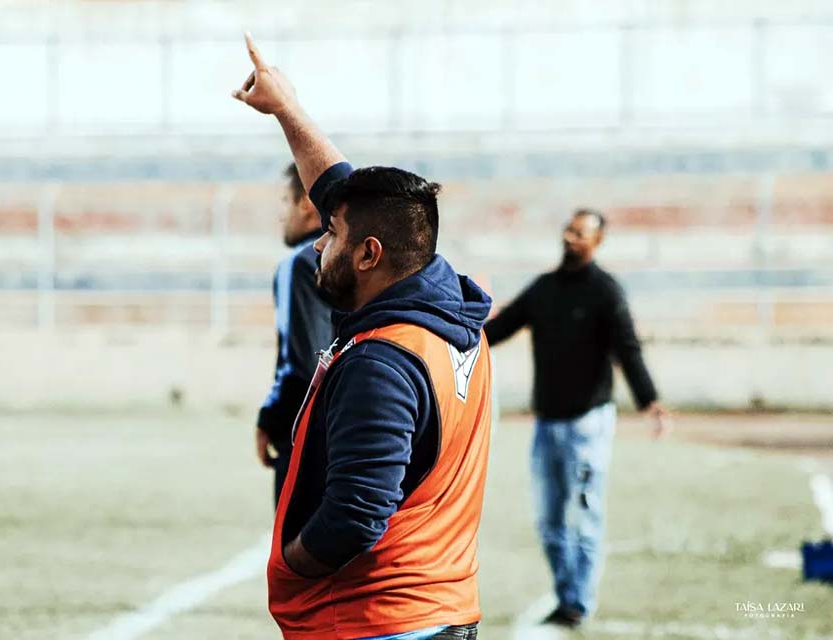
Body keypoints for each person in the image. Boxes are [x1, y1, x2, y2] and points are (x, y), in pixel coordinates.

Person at [233, 33, 492, 640]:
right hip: (441, 604)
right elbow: (347, 193)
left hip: (377, 620)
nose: (317, 245)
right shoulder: (447, 303)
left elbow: (354, 514)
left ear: (370, 255)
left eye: (332, 236)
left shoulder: (383, 361)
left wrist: (291, 563)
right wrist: (287, 109)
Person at [484, 208, 671, 629]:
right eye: (568, 229)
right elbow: (500, 328)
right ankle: (567, 595)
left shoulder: (607, 292)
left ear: (597, 242)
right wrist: (458, 335)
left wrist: (650, 401)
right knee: (549, 521)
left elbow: (628, 348)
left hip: (588, 424)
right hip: (546, 423)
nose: (570, 238)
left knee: (585, 517)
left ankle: (578, 603)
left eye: (581, 233)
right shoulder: (544, 288)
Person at [256, 163, 335, 506]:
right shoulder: (364, 260)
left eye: (285, 200)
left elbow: (302, 362)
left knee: (295, 555)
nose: (280, 214)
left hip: (306, 436)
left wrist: (270, 418)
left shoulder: (301, 264)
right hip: (353, 431)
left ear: (306, 202)